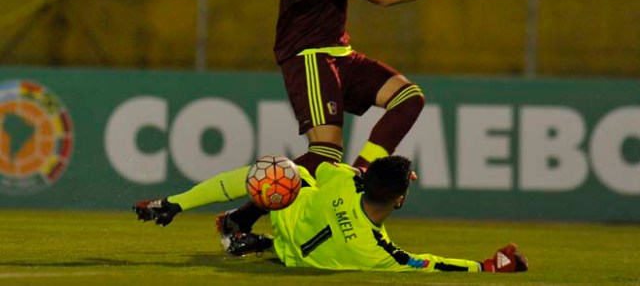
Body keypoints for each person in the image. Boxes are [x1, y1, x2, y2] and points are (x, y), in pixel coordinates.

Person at [134, 0, 480, 233]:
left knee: (408, 98)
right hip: (310, 56)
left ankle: (357, 175)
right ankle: (195, 208)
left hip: (338, 53)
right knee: (322, 157)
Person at [135, 155, 528, 273]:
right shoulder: (376, 252)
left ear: (366, 176)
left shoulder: (345, 182)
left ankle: (182, 205)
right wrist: (486, 267)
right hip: (296, 255)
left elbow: (325, 168)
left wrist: (356, 172)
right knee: (301, 190)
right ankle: (250, 239)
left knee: (286, 171)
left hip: (286, 218)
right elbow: (429, 265)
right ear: (401, 200)